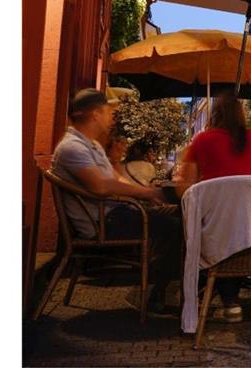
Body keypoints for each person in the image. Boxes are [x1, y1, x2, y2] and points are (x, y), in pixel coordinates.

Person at [51, 88, 181, 312]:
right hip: (102, 223)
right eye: (108, 112)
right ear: (95, 114)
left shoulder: (90, 145)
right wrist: (147, 194)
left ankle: (162, 287)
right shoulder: (72, 148)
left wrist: (143, 190)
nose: (111, 117)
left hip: (115, 214)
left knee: (180, 213)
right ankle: (151, 294)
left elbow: (114, 177)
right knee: (177, 229)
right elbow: (101, 186)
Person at [178, 91, 251, 323]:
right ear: (242, 115)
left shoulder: (202, 141)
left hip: (218, 231)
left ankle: (230, 303)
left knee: (221, 229)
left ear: (215, 115)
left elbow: (185, 189)